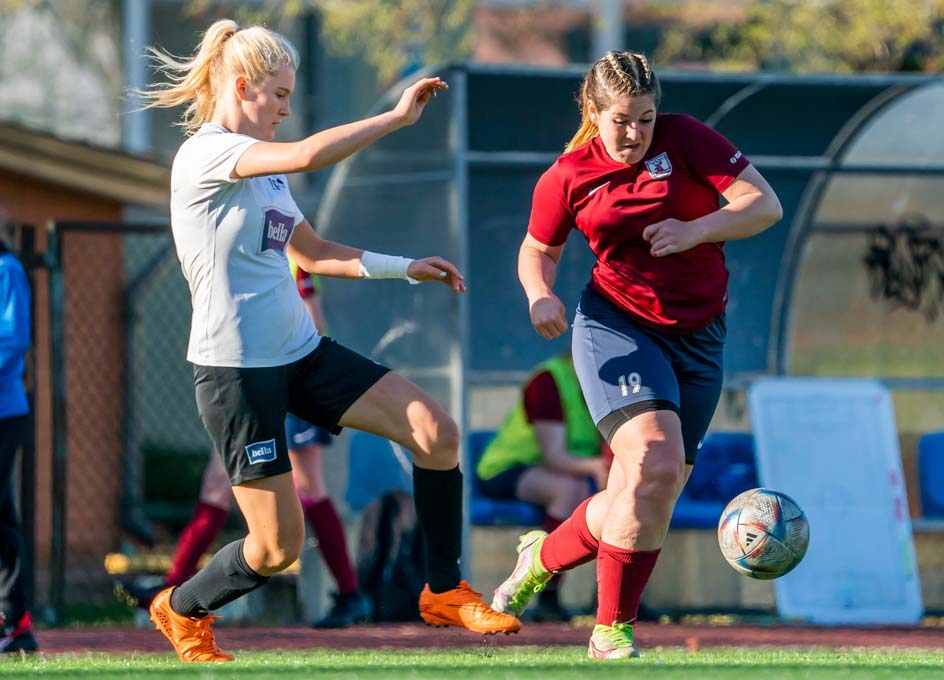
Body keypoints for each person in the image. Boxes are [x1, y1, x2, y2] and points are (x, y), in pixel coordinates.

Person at [139, 19, 519, 662]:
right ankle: (178, 607)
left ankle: (444, 589)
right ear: (241, 87)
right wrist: (395, 119)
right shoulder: (206, 154)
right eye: (280, 95)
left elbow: (311, 254)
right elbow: (312, 153)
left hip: (301, 353)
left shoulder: (267, 172)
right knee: (275, 549)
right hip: (236, 372)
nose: (288, 108)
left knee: (436, 431)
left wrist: (406, 266)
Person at [490, 50, 782, 659]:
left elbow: (764, 204)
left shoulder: (688, 140)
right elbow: (536, 249)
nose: (635, 134)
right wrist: (538, 293)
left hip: (699, 337)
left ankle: (541, 557)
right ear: (593, 112)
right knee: (653, 455)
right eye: (622, 119)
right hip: (615, 327)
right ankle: (610, 632)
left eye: (646, 119)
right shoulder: (568, 175)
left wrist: (696, 229)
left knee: (649, 487)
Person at [116, 264, 370, 629]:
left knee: (308, 488)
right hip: (256, 385)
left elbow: (313, 321)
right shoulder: (240, 253)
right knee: (218, 485)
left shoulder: (283, 252)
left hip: (286, 384)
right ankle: (173, 589)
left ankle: (349, 594)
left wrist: (277, 372)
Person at [476, 352, 610, 621]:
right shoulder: (549, 380)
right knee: (568, 490)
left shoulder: (610, 384)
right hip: (507, 469)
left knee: (622, 499)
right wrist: (597, 467)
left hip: (564, 471)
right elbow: (554, 455)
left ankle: (612, 597)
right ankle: (547, 593)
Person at [0, 237, 35, 654]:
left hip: (5, 412)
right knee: (4, 518)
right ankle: (17, 623)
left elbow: (12, 340)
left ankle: (13, 618)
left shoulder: (7, 269)